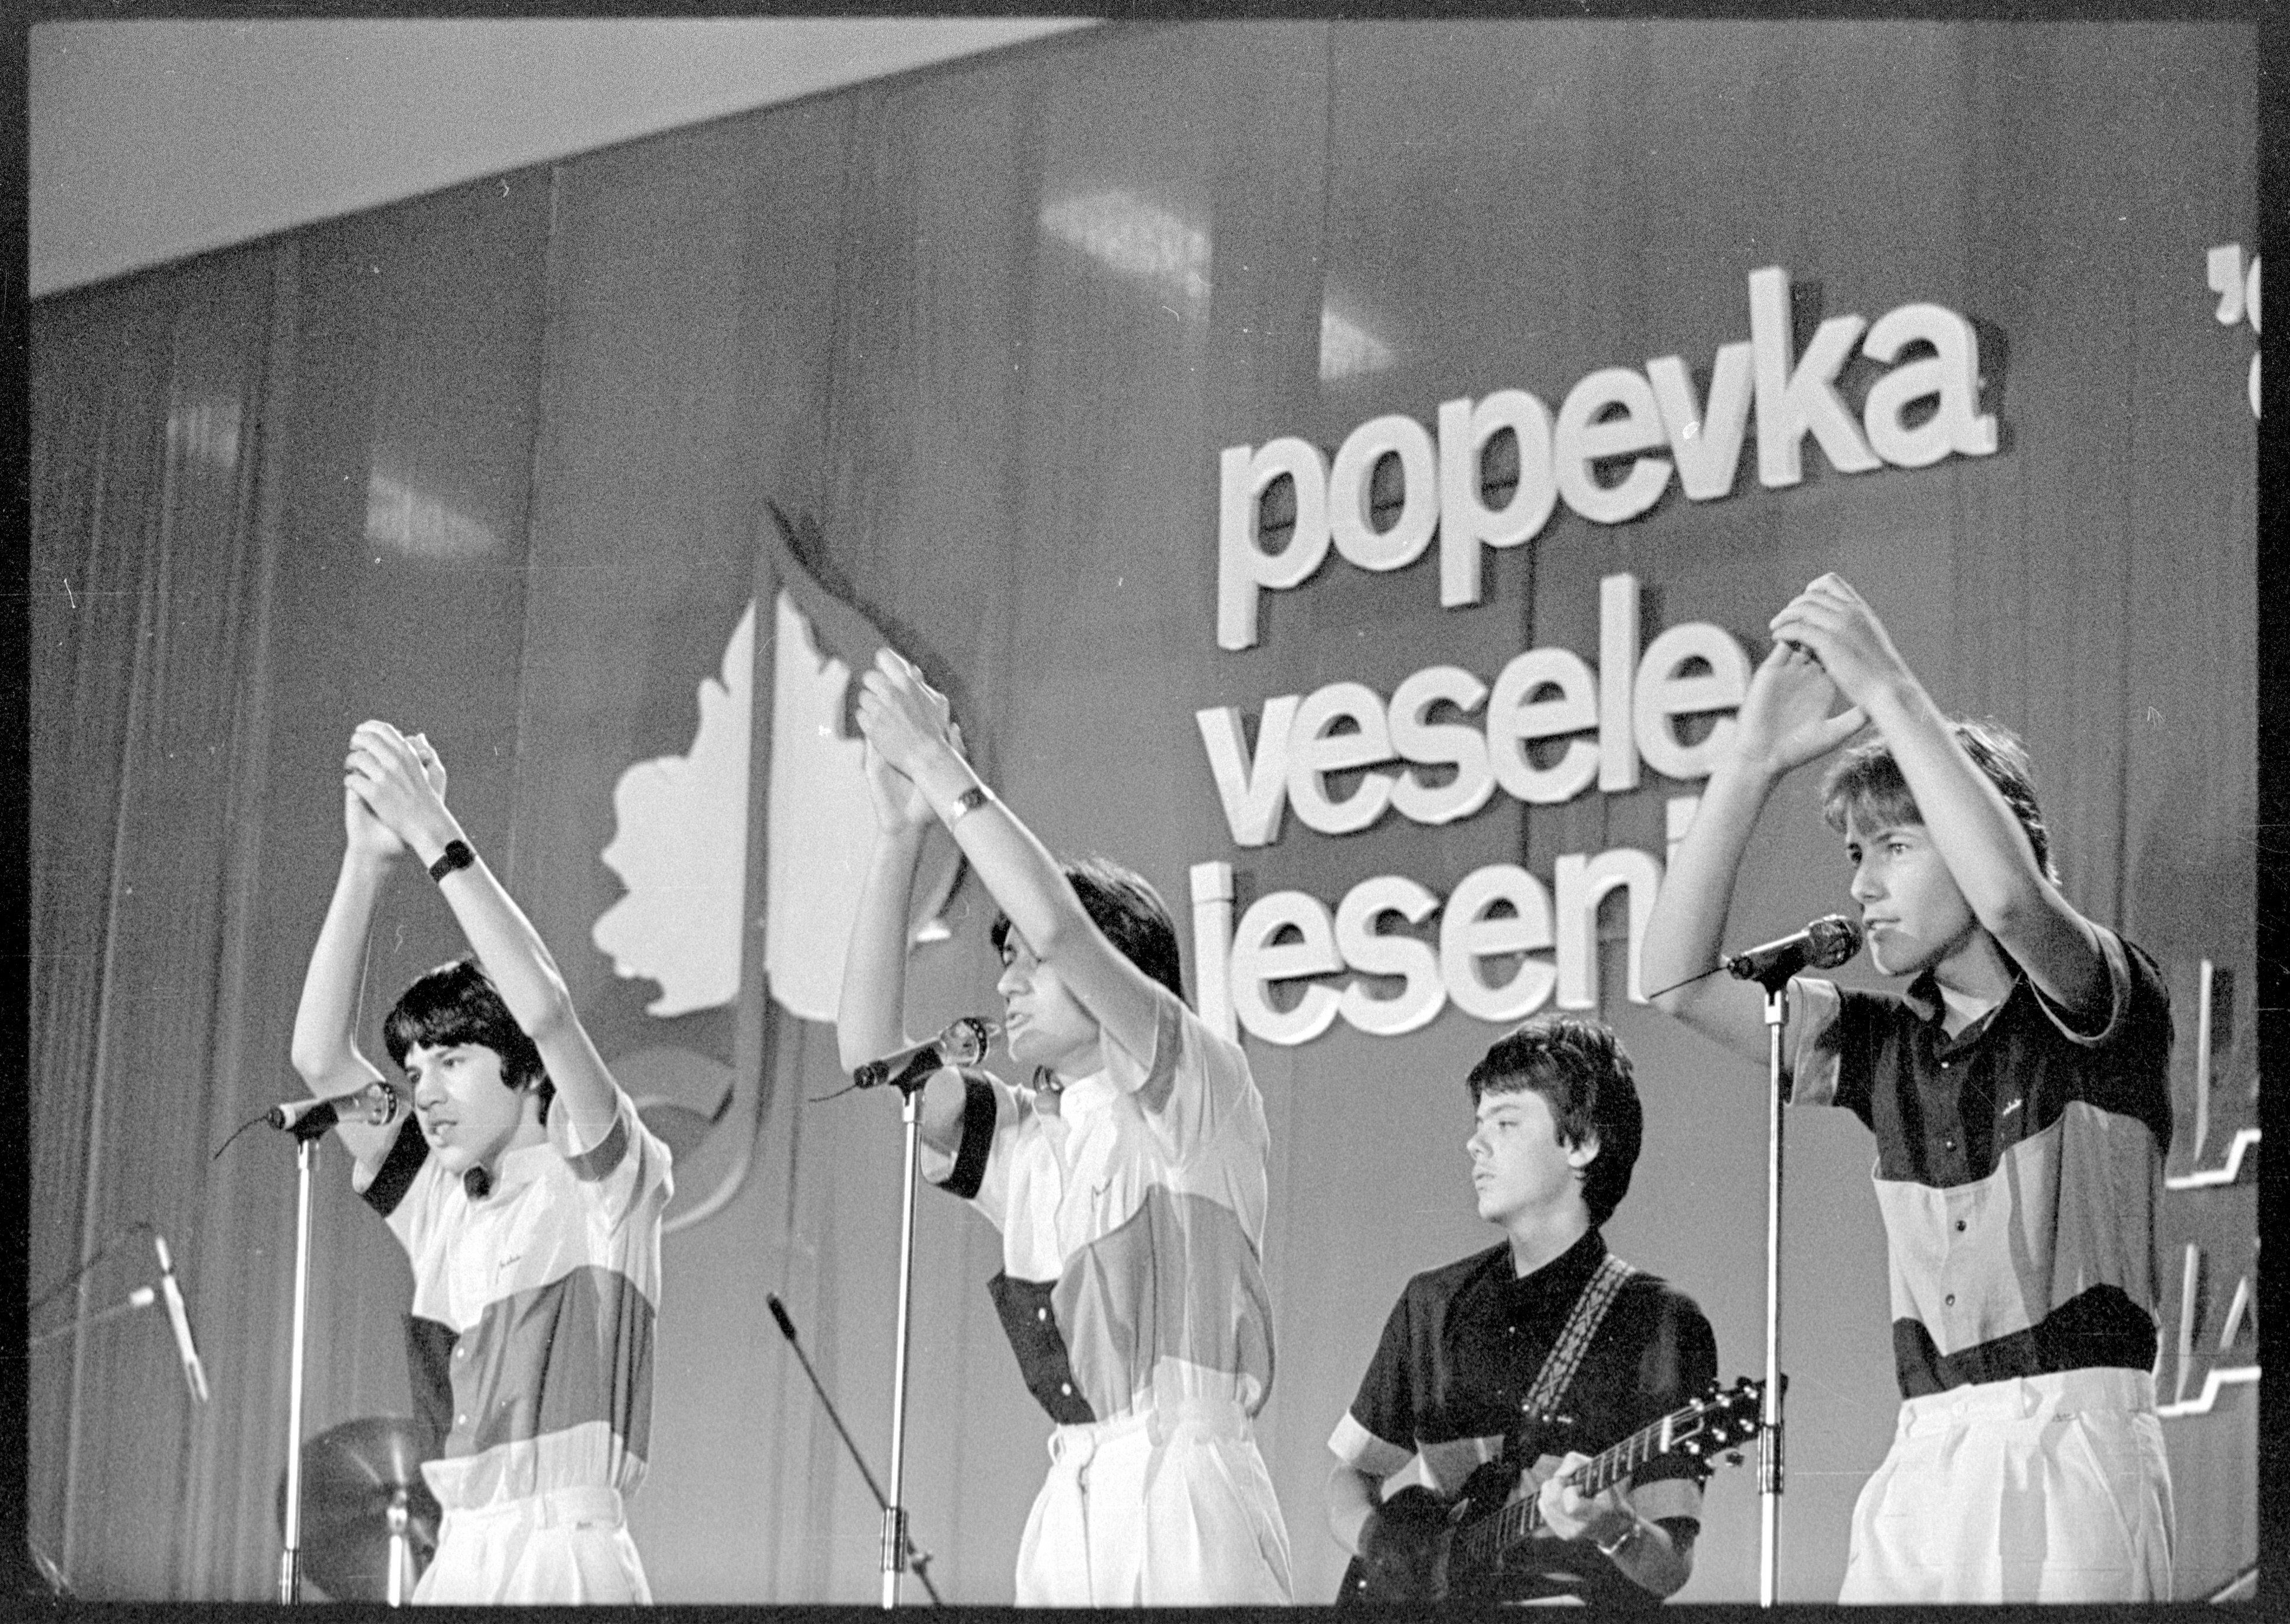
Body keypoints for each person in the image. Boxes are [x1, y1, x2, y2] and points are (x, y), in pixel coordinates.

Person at [1642, 572, 2176, 1603]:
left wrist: (1888, 688)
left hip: (2074, 1442)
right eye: (1856, 853)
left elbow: (2012, 903)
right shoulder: (1884, 1046)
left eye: (1896, 846)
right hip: (1927, 1449)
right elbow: (1674, 983)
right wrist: (1748, 761)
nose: (1862, 885)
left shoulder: (2100, 998)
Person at [837, 648, 1293, 1606]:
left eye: (1025, 965)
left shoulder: (1200, 1089)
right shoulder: (1029, 1142)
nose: (1006, 984)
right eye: (1003, 961)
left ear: (1114, 968)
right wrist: (899, 833)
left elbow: (1059, 927)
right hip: (1069, 1503)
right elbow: (872, 1056)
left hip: (1187, 1494)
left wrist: (940, 764)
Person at [289, 720, 672, 1605]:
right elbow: (319, 1058)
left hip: (564, 1552)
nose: (422, 1090)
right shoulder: (440, 1198)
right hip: (458, 1553)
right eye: (413, 1068)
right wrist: (365, 863)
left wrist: (435, 832)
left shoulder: (608, 1179)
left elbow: (546, 1012)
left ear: (524, 1072)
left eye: (452, 1060)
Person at [1326, 1014, 1719, 1606]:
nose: (1475, 1144)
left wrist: (1615, 1529)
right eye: (1478, 1123)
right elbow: (1350, 1477)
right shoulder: (1431, 1304)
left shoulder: (1661, 1322)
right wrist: (1385, 1550)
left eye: (1505, 1123)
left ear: (1582, 1143)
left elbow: (1670, 1566)